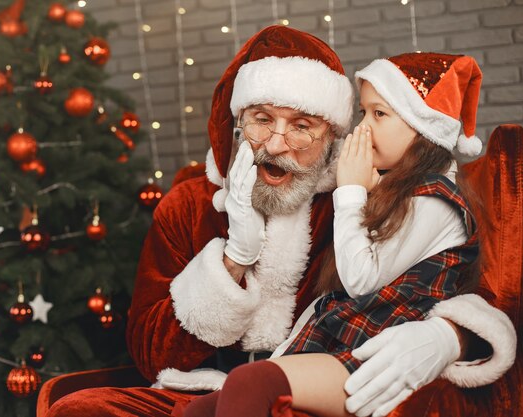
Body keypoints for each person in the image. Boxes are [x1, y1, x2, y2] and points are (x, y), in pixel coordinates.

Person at [46, 27, 516, 417]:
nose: (275, 144)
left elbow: (460, 279)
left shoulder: (360, 197)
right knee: (82, 410)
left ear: (332, 134)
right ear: (235, 125)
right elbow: (152, 356)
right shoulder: (189, 205)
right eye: (261, 119)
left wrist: (447, 337)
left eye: (301, 126)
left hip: (309, 391)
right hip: (199, 387)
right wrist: (233, 259)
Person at [181, 51, 500, 417]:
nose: (363, 128)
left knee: (251, 383)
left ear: (423, 128)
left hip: (378, 352)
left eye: (379, 114)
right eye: (363, 113)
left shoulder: (435, 199)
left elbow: (361, 282)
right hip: (348, 339)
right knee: (201, 409)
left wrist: (349, 193)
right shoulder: (392, 189)